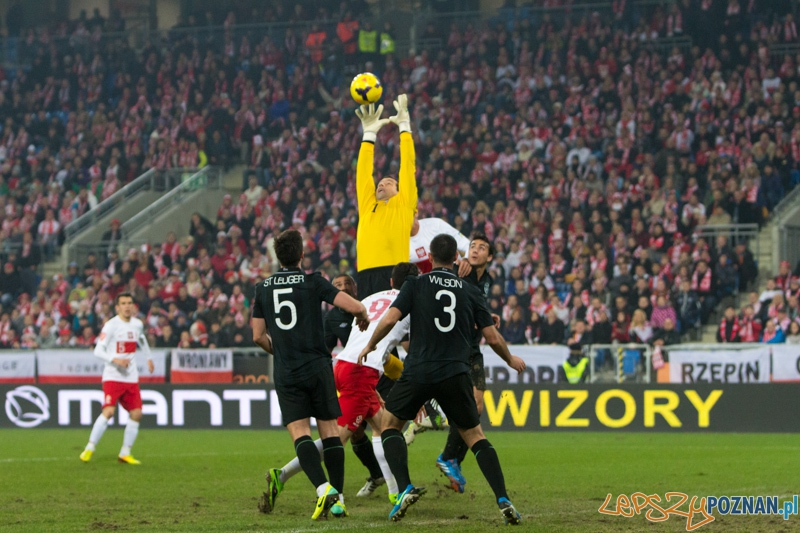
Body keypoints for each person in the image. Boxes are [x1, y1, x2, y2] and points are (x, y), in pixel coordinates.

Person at [358, 234, 524, 525]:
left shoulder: (416, 283)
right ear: (455, 258)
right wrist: (510, 360)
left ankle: (405, 486)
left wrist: (371, 344)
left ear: (431, 258)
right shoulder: (471, 291)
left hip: (419, 369)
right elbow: (492, 336)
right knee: (475, 436)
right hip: (455, 372)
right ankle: (502, 498)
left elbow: (389, 319)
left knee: (389, 426)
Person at [263, 263, 420, 513]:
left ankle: (395, 491)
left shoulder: (374, 296)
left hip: (346, 365)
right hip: (361, 371)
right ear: (416, 282)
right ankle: (281, 476)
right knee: (336, 440)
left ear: (391, 282)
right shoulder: (413, 301)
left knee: (383, 426)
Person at [251, 229, 369, 520]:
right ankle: (339, 498)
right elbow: (354, 305)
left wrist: (279, 352)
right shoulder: (312, 281)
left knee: (300, 433)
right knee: (330, 433)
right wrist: (362, 315)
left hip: (287, 370)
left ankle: (322, 488)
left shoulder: (263, 287)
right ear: (302, 255)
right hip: (317, 366)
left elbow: (257, 336)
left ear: (278, 257)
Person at [79, 293, 154, 465]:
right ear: (117, 307)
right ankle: (90, 447)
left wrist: (149, 357)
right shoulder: (111, 325)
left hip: (131, 378)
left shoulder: (137, 324)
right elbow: (98, 350)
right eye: (123, 303)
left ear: (134, 306)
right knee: (109, 411)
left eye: (130, 303)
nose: (127, 306)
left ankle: (125, 453)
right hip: (113, 376)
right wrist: (116, 359)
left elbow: (142, 338)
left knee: (137, 413)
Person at [354, 96, 417, 298]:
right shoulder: (368, 205)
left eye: (388, 182)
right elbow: (363, 174)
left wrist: (405, 128)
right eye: (379, 184)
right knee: (368, 327)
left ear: (399, 190)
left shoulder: (404, 202)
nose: (381, 184)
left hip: (395, 271)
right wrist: (369, 135)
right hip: (365, 274)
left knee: (399, 327)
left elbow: (407, 167)